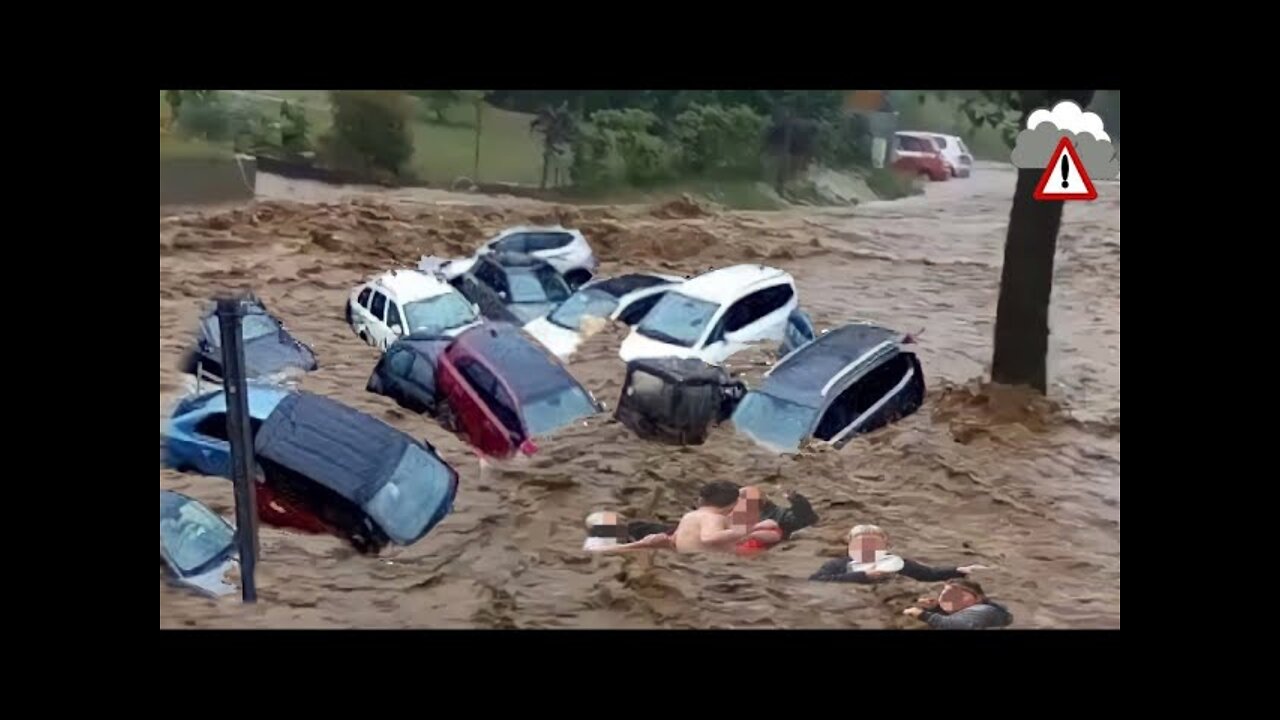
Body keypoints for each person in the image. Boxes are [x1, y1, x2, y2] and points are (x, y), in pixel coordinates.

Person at [809, 524, 989, 583]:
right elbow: (817, 580)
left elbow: (928, 574)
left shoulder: (897, 564)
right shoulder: (837, 565)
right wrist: (863, 575)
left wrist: (960, 570)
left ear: (886, 546)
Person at [671, 481, 781, 554]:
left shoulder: (690, 516)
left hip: (701, 554)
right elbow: (709, 537)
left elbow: (774, 535)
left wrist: (752, 532)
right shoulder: (715, 518)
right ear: (733, 505)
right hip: (708, 555)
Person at [902, 578, 1013, 630]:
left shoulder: (983, 610)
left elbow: (956, 625)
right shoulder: (968, 610)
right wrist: (936, 607)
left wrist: (923, 615)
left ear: (978, 598)